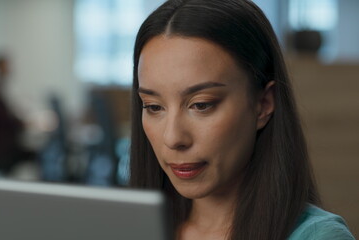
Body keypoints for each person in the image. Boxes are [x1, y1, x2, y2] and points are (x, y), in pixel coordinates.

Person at [129, 0, 355, 239]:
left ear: (264, 104)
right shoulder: (126, 228)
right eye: (154, 107)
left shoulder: (318, 236)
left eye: (201, 105)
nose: (173, 138)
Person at [0, 54, 35, 175]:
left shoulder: (5, 90)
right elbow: (6, 120)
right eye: (5, 66)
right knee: (38, 154)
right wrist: (24, 123)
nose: (9, 69)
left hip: (8, 141)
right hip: (4, 146)